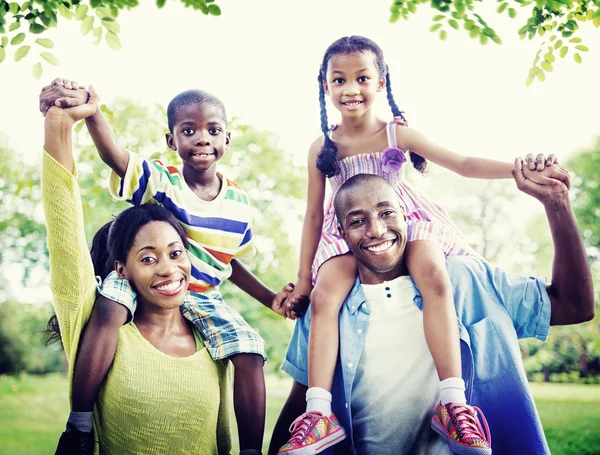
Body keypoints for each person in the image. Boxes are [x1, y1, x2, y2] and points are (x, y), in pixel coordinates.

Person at [278, 35, 570, 454]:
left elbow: (464, 164)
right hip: (349, 231)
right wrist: (303, 280)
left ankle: (453, 402)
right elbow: (311, 214)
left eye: (362, 78)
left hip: (404, 222)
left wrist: (518, 170)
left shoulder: (396, 133)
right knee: (326, 297)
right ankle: (319, 412)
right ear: (325, 86)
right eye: (339, 80)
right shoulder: (322, 147)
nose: (351, 89)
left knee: (435, 275)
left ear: (380, 83)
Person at [40, 80, 304, 455]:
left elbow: (231, 262)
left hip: (204, 296)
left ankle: (249, 450)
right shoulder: (163, 181)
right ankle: (79, 423)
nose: (201, 138)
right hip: (144, 284)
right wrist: (94, 113)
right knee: (109, 306)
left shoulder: (239, 202)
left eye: (213, 130)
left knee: (250, 350)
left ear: (227, 139)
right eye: (188, 130)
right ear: (171, 140)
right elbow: (116, 157)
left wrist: (270, 299)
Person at [270, 169, 594, 455]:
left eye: (387, 214)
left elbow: (574, 305)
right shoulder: (326, 303)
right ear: (340, 233)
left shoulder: (467, 280)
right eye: (358, 221)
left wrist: (557, 203)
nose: (377, 231)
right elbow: (301, 401)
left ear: (406, 217)